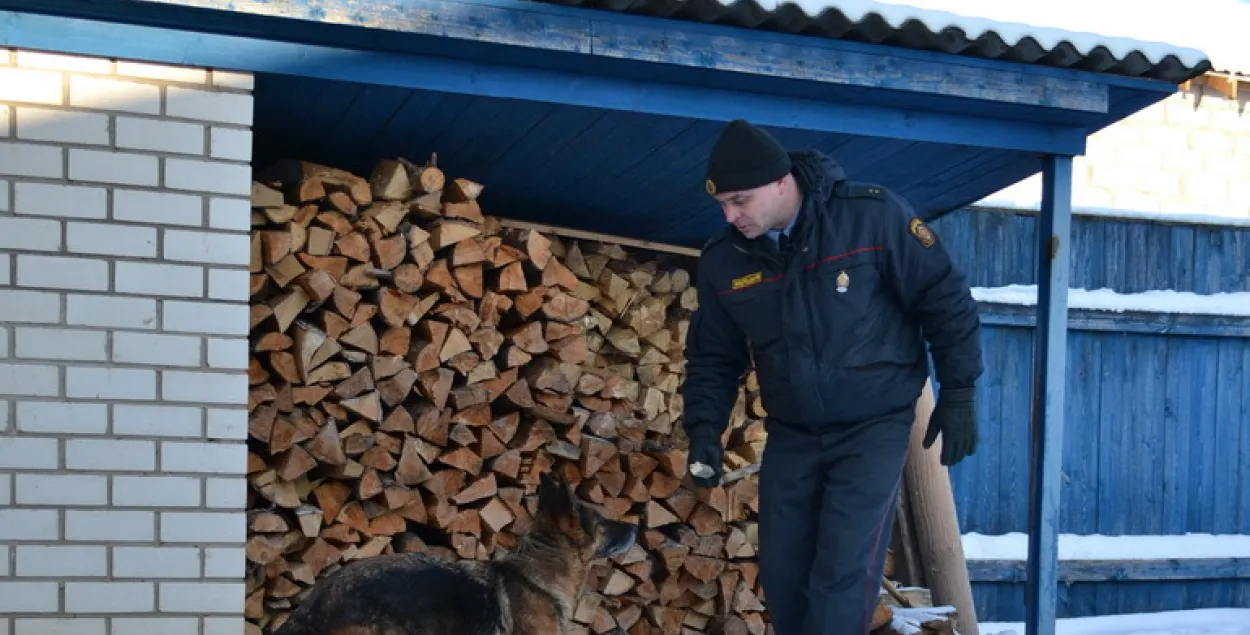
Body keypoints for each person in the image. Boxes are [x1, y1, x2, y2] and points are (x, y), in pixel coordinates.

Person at [680, 120, 983, 635]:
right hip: (794, 432)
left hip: (873, 426)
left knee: (842, 572)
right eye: (723, 205)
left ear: (780, 182)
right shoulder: (725, 260)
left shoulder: (871, 218)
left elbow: (944, 298)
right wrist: (704, 432)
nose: (731, 216)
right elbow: (713, 355)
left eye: (740, 200)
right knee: (784, 573)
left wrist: (959, 389)